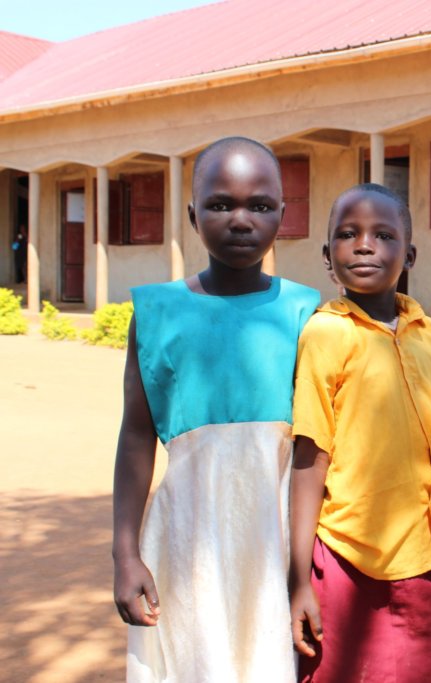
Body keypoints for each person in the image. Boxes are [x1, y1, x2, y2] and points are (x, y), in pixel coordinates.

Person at [111, 137, 321, 682]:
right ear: (192, 214)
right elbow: (137, 438)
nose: (241, 219)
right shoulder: (157, 314)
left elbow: (317, 446)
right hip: (186, 540)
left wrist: (306, 570)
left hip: (277, 540)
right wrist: (125, 554)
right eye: (221, 204)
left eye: (260, 205)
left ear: (283, 214)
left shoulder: (306, 312)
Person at [288, 183, 431, 683]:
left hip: (427, 558)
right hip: (348, 559)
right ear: (327, 255)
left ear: (409, 254)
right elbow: (311, 456)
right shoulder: (326, 334)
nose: (364, 245)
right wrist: (298, 578)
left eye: (383, 235)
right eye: (347, 235)